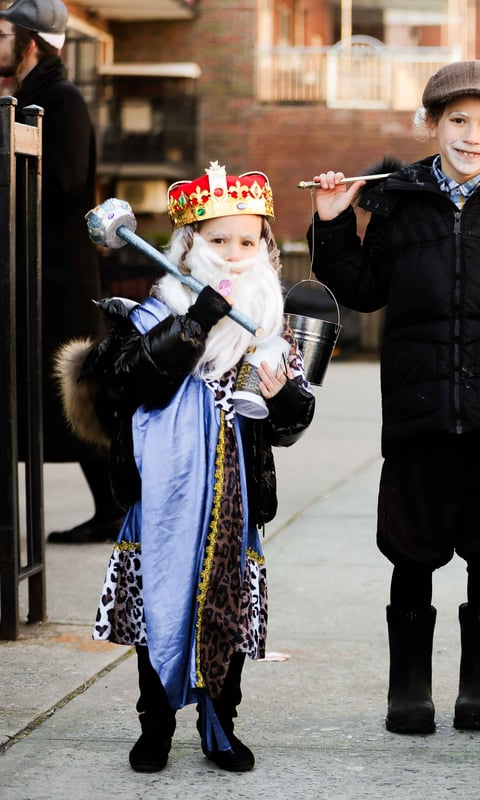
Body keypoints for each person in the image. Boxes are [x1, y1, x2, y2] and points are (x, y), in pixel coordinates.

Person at [306, 60, 480, 734]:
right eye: (458, 121)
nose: (471, 134)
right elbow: (361, 288)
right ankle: (409, 687)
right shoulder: (398, 201)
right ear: (432, 125)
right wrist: (334, 222)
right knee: (412, 550)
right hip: (419, 412)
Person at [56, 163, 316, 773]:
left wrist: (282, 397)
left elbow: (293, 423)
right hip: (163, 495)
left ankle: (220, 720)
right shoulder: (155, 312)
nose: (232, 254)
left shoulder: (270, 325)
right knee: (160, 603)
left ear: (264, 248)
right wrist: (194, 323)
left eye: (247, 242)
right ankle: (156, 725)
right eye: (218, 240)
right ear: (188, 244)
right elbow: (128, 384)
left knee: (227, 603)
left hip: (236, 495)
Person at [0, 0, 122, 543]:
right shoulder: (27, 98)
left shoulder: (61, 101)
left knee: (77, 399)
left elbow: (65, 184)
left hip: (58, 282)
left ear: (28, 44)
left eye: (2, 35)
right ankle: (114, 510)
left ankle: (118, 509)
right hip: (30, 274)